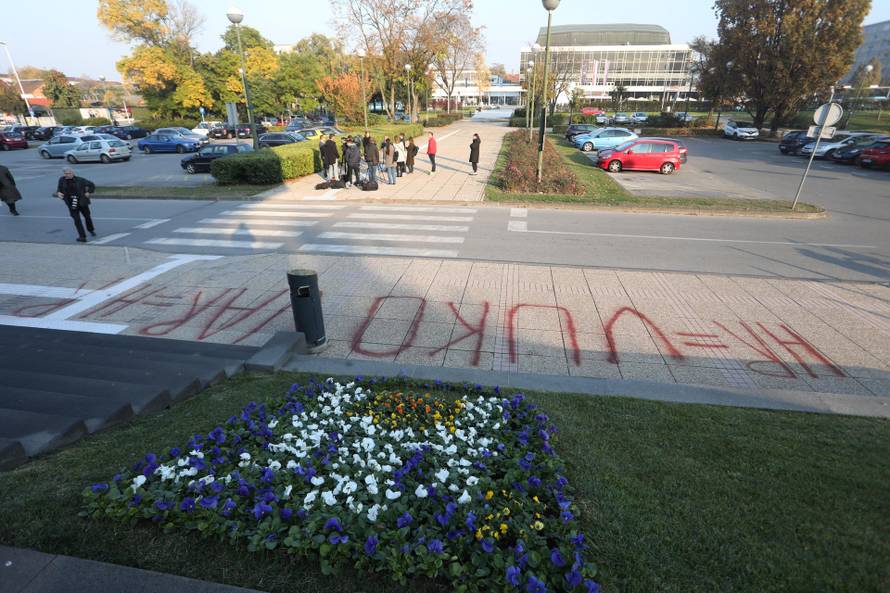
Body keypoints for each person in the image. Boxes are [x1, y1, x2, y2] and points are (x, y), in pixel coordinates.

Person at [56, 167, 96, 243]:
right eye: (65, 173)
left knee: (87, 217)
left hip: (82, 202)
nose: (67, 175)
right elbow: (59, 188)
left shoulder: (80, 180)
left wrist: (88, 192)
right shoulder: (62, 180)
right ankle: (82, 237)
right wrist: (59, 193)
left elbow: (92, 185)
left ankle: (91, 230)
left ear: (73, 173)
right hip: (71, 203)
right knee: (76, 220)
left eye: (69, 173)